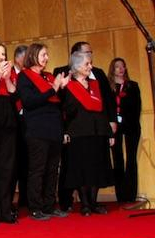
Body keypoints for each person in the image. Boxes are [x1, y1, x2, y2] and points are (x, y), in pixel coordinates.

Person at [53, 42, 116, 211]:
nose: (90, 67)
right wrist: (64, 131)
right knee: (81, 168)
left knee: (97, 167)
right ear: (77, 66)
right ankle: (85, 204)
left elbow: (102, 109)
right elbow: (61, 110)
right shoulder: (67, 86)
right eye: (87, 64)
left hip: (97, 131)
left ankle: (94, 203)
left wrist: (109, 132)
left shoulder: (94, 85)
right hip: (78, 133)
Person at [17, 43, 69, 220]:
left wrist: (61, 88)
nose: (46, 58)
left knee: (53, 169)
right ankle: (35, 207)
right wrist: (53, 88)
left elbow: (55, 102)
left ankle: (49, 205)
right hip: (37, 129)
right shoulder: (25, 77)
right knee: (38, 169)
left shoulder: (48, 76)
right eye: (43, 54)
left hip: (54, 128)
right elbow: (29, 102)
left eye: (47, 55)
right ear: (33, 56)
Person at [0, 43, 18, 223]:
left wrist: (6, 78)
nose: (0, 56)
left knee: (7, 168)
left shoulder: (11, 71)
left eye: (3, 53)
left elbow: (15, 95)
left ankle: (5, 209)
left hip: (8, 118)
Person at [109, 58, 142, 203]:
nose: (121, 69)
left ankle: (131, 194)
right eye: (117, 67)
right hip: (115, 127)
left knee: (131, 160)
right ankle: (121, 195)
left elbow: (137, 108)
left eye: (123, 66)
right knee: (118, 160)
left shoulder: (133, 86)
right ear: (113, 69)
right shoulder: (109, 87)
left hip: (131, 126)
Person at [13, 45, 29, 208]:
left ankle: (26, 199)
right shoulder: (9, 73)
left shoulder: (30, 75)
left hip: (28, 123)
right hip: (13, 123)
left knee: (27, 162)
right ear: (18, 58)